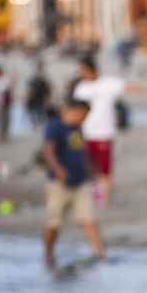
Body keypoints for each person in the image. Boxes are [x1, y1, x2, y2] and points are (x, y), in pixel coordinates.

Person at [41, 98, 105, 265]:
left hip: (80, 181)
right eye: (85, 115)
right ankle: (48, 255)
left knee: (89, 219)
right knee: (54, 222)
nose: (86, 118)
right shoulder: (55, 127)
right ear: (76, 111)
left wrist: (92, 172)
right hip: (58, 184)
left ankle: (100, 254)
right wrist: (58, 169)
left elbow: (81, 152)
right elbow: (49, 151)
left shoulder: (78, 128)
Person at [72, 56, 125, 208]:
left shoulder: (107, 83)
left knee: (104, 168)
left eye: (81, 69)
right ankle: (94, 195)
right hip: (86, 134)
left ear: (90, 69)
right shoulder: (81, 88)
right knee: (89, 167)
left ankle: (104, 198)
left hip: (104, 133)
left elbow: (127, 87)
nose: (79, 73)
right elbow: (76, 110)